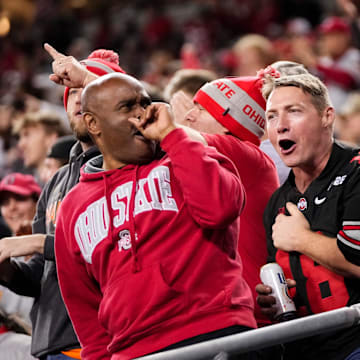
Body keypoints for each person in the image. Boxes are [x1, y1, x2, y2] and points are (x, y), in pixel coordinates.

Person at [47, 49, 257, 359]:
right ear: (93, 123)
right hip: (134, 351)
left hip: (215, 330)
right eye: (128, 107)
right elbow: (83, 308)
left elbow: (220, 209)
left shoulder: (187, 157)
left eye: (146, 104)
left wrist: (173, 135)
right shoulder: (73, 206)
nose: (142, 114)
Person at [0, 47, 125, 360]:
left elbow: (114, 248)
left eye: (90, 90)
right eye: (72, 94)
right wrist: (6, 271)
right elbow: (40, 276)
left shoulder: (128, 168)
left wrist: (40, 242)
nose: (80, 101)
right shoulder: (56, 182)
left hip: (103, 340)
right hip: (51, 343)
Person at [256, 72, 360, 359]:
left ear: (328, 116)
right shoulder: (277, 201)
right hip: (305, 348)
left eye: (294, 112)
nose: (281, 126)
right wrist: (276, 296)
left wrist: (301, 239)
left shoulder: (356, 174)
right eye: (272, 116)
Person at [172, 75, 279, 327]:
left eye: (200, 109)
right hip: (217, 312)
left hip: (246, 320)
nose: (188, 116)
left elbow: (169, 136)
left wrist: (94, 80)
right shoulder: (207, 158)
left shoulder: (246, 154)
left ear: (228, 124)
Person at [0, 173, 41, 360]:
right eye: (5, 203)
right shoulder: (2, 258)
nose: (12, 208)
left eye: (20, 198)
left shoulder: (53, 247)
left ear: (39, 200)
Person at [13, 110, 69, 185]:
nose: (20, 144)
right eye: (20, 138)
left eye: (27, 135)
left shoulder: (69, 181)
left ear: (51, 139)